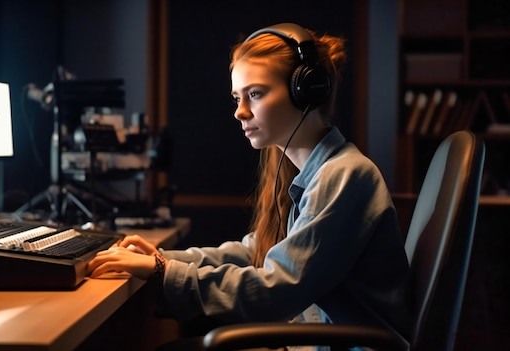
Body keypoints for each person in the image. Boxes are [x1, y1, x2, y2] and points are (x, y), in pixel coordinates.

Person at [88, 23, 411, 350]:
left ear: (307, 91)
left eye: (255, 94)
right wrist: (163, 259)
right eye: (236, 97)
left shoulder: (344, 175)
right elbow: (254, 252)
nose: (240, 112)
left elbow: (275, 290)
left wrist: (164, 272)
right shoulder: (309, 172)